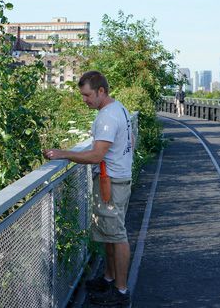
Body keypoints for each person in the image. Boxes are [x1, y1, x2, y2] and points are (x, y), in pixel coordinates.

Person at [44, 71, 133, 307]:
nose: (85, 100)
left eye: (87, 95)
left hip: (111, 182)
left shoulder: (106, 117)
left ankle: (121, 292)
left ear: (101, 91)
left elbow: (96, 155)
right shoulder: (119, 108)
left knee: (118, 236)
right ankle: (109, 279)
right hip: (117, 179)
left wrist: (63, 153)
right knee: (111, 234)